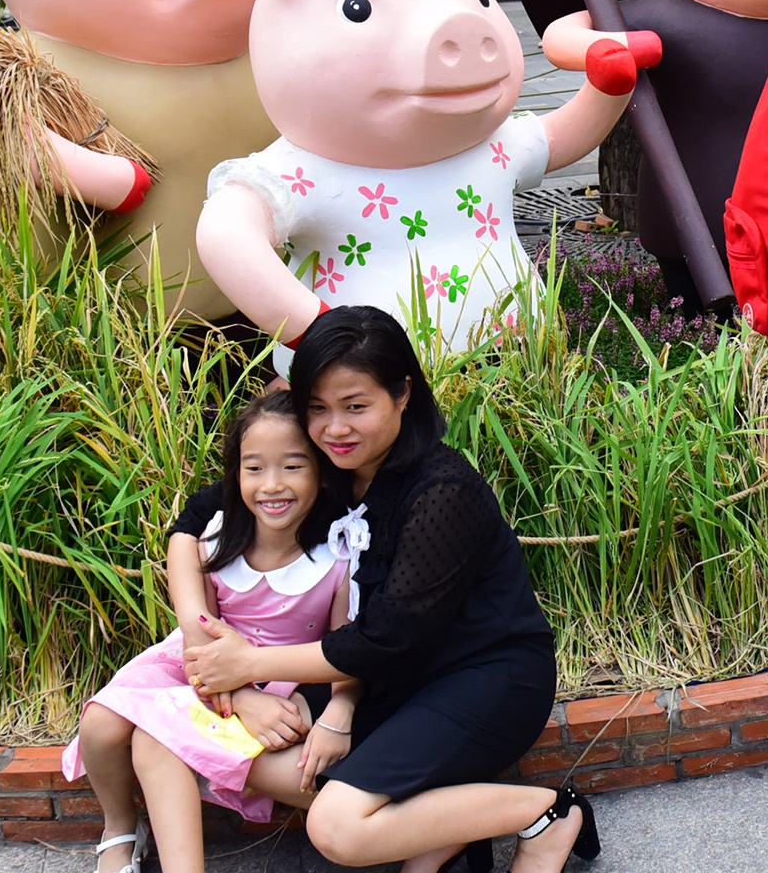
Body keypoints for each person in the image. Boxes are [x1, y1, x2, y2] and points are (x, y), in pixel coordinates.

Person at [179, 306, 594, 873]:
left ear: (403, 394)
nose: (335, 428)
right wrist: (200, 635)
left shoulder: (443, 490)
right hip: (386, 679)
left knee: (336, 828)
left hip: (485, 677)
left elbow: (385, 640)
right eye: (317, 410)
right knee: (246, 747)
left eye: (356, 406)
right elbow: (199, 514)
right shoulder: (329, 467)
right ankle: (445, 832)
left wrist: (252, 662)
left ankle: (548, 814)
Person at [63, 390, 360, 873]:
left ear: (322, 470)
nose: (272, 485)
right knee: (100, 723)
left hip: (287, 675)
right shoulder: (215, 538)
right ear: (235, 472)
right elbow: (198, 633)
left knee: (154, 738)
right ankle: (119, 827)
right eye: (255, 468)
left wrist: (336, 709)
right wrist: (239, 696)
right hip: (205, 666)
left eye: (293, 466)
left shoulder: (338, 551)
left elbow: (344, 646)